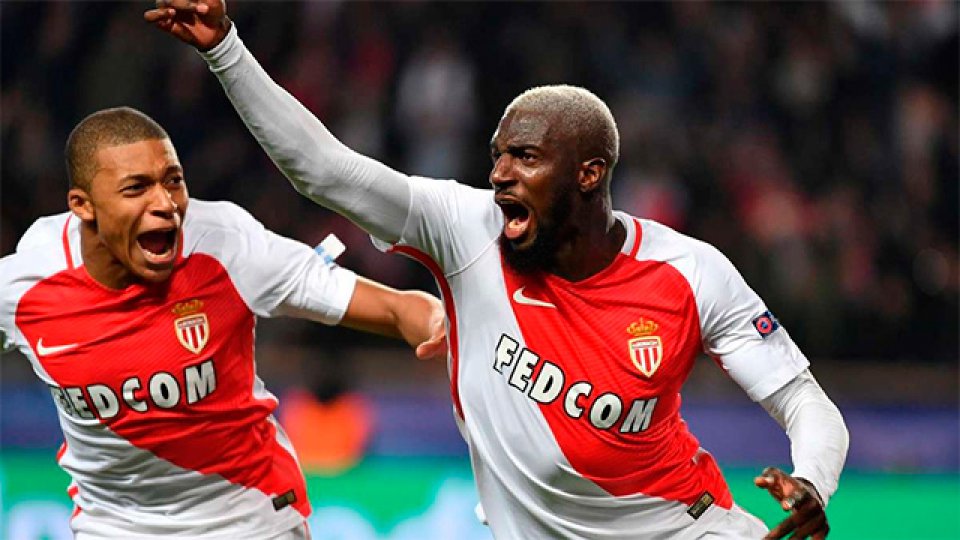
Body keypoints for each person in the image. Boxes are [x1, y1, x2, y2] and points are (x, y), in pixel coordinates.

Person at [147, 2, 850, 538]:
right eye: (498, 156)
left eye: (526, 157)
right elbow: (324, 171)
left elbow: (805, 403)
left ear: (589, 174)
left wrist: (813, 482)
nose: (500, 175)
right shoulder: (465, 228)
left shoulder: (690, 274)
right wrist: (226, 49)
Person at [0, 105, 446, 539]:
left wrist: (440, 320)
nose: (165, 204)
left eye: (173, 181)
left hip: (250, 519)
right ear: (83, 205)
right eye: (136, 188)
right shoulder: (24, 287)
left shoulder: (227, 246)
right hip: (113, 526)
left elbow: (398, 309)